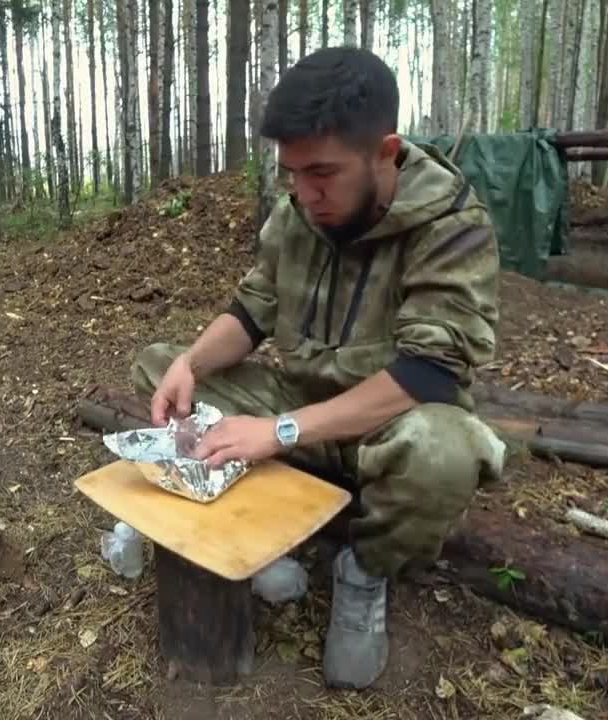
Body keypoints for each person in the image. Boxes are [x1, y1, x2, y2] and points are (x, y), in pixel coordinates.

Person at [130, 46, 508, 689]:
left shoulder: (453, 225)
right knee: (159, 366)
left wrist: (277, 431)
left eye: (323, 174)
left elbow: (429, 375)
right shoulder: (298, 212)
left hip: (381, 428)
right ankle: (258, 526)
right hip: (299, 409)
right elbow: (251, 312)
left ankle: (363, 574)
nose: (305, 195)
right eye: (292, 175)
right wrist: (192, 362)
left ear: (385, 152)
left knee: (441, 450)